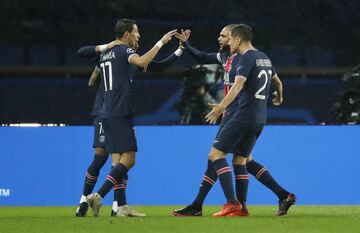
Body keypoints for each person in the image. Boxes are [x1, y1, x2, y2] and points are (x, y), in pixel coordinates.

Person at [173, 24, 295, 217]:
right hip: (255, 116)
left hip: (239, 114)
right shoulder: (251, 57)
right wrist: (186, 46)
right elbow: (277, 81)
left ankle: (231, 203)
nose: (223, 40)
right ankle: (264, 200)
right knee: (240, 160)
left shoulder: (244, 58)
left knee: (216, 156)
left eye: (225, 37)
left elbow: (238, 86)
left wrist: (221, 106)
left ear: (236, 38)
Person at [85, 18, 180, 217]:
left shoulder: (107, 55)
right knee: (129, 159)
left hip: (106, 112)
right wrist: (161, 42)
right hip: (120, 112)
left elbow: (156, 66)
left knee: (117, 160)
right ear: (126, 34)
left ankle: (120, 207)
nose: (139, 37)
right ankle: (99, 196)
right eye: (137, 33)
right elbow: (143, 61)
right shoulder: (124, 50)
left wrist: (180, 50)